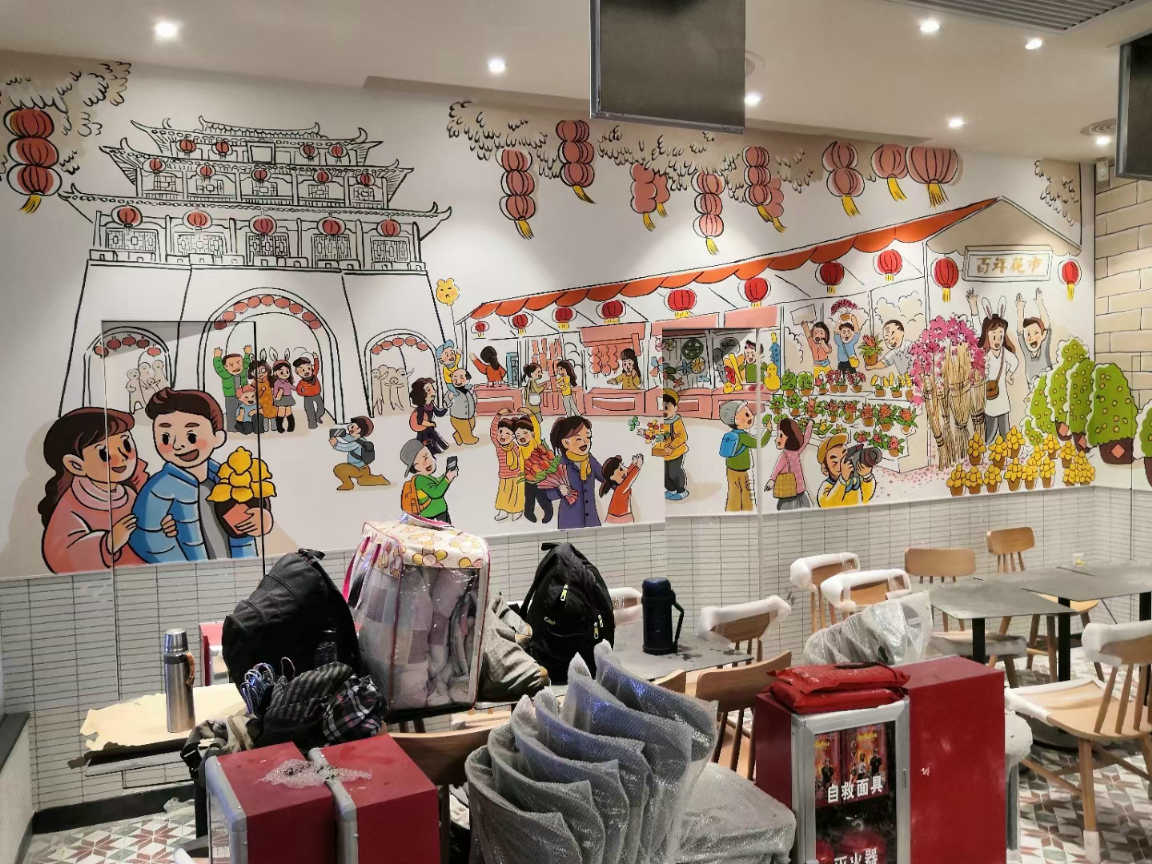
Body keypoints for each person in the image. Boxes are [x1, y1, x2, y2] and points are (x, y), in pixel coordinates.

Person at [131, 389, 270, 561]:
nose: (178, 445)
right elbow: (144, 536)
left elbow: (253, 507)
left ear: (217, 437)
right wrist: (181, 566)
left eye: (191, 436)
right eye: (166, 437)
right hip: (194, 574)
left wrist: (263, 517)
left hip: (238, 570)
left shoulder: (229, 478)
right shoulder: (159, 489)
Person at [38, 407, 161, 573]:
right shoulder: (70, 506)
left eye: (126, 445)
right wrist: (108, 543)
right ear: (76, 465)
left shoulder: (130, 493)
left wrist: (163, 526)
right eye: (105, 454)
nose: (122, 458)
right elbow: (59, 556)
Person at [546, 415, 603, 529]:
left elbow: (604, 476)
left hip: (591, 520)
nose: (585, 442)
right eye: (578, 439)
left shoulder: (590, 459)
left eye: (588, 436)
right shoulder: (560, 464)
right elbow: (548, 494)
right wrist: (560, 491)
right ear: (565, 443)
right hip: (570, 521)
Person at [717, 400, 773, 512]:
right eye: (747, 414)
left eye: (750, 413)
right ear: (736, 420)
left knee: (734, 492)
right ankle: (749, 511)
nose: (751, 416)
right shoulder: (743, 437)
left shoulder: (732, 435)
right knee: (747, 494)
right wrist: (768, 431)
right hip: (744, 471)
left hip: (731, 470)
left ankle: (732, 510)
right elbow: (760, 443)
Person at [976, 299, 1019, 442]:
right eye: (994, 336)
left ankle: (1006, 450)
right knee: (990, 433)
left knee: (1005, 432)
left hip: (1003, 399)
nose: (997, 340)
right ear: (987, 336)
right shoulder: (986, 356)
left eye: (1000, 336)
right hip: (989, 399)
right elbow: (981, 372)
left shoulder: (1005, 353)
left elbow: (1015, 362)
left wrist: (1009, 374)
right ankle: (988, 450)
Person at [398, 438, 458, 524]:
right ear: (414, 468)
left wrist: (446, 475)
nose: (425, 463)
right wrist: (447, 478)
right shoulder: (420, 480)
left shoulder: (425, 477)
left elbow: (437, 482)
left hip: (439, 513)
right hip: (432, 516)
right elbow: (436, 492)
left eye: (426, 457)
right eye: (417, 463)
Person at [815, 433, 876, 508]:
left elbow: (866, 497)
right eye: (835, 462)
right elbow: (828, 505)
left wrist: (867, 476)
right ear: (825, 467)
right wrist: (843, 479)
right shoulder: (826, 486)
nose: (842, 463)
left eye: (845, 456)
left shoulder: (855, 479)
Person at [330, 416, 391, 490]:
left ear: (359, 429)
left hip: (356, 468)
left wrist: (336, 444)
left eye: (352, 427)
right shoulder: (360, 439)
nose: (349, 428)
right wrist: (342, 434)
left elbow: (346, 447)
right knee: (362, 481)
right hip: (364, 468)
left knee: (339, 469)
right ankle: (379, 479)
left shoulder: (357, 443)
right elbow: (349, 438)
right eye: (350, 426)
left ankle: (348, 484)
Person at [514, 414, 554, 524]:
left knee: (542, 497)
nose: (521, 437)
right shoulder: (518, 449)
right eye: (518, 435)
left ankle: (548, 512)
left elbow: (536, 427)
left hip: (539, 478)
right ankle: (528, 513)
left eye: (525, 433)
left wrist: (530, 413)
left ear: (532, 434)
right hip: (527, 480)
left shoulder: (534, 442)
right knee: (529, 498)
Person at [767, 417, 814, 510]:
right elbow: (805, 440)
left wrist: (772, 480)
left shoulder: (787, 454)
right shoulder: (794, 452)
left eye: (781, 436)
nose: (777, 439)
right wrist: (810, 424)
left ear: (790, 437)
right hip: (796, 493)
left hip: (791, 494)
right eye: (778, 436)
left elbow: (776, 470)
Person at [652, 390, 689, 500]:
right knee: (665, 474)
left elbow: (683, 437)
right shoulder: (660, 422)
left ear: (675, 408)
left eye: (666, 408)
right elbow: (655, 434)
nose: (664, 411)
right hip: (664, 453)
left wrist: (672, 446)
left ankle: (681, 490)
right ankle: (671, 489)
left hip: (676, 452)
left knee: (674, 473)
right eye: (661, 408)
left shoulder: (676, 422)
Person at [490, 410, 524, 521]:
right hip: (504, 476)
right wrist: (498, 415)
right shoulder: (499, 446)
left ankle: (517, 510)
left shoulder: (516, 447)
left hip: (516, 475)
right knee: (503, 493)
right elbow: (493, 432)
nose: (502, 435)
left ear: (513, 436)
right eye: (501, 432)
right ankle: (503, 511)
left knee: (515, 494)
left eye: (507, 433)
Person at [1016, 287, 1053, 386]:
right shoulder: (1027, 352)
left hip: (1047, 387)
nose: (1031, 338)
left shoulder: (1044, 348)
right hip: (1032, 389)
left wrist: (1039, 303)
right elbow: (1020, 332)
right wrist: (1020, 309)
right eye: (1028, 334)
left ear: (1043, 335)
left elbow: (1046, 326)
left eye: (1036, 333)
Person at [212, 346, 253, 433]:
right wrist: (217, 358)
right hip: (230, 396)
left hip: (243, 395)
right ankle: (232, 427)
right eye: (231, 365)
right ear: (225, 367)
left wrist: (247, 354)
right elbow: (219, 368)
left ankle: (244, 425)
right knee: (231, 412)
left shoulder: (243, 372)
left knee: (244, 410)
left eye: (238, 363)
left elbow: (246, 364)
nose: (236, 366)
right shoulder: (225, 375)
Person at [599, 453, 643, 524]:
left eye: (623, 466)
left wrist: (633, 464)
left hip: (620, 518)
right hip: (618, 519)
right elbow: (629, 478)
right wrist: (638, 467)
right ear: (612, 477)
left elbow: (626, 474)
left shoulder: (621, 485)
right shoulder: (620, 488)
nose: (625, 469)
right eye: (621, 469)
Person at [409, 376, 448, 455]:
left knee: (435, 438)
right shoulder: (421, 408)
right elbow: (420, 421)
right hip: (423, 431)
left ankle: (441, 449)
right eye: (429, 390)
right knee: (426, 443)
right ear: (422, 394)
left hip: (429, 429)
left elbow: (438, 413)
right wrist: (430, 424)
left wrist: (446, 408)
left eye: (432, 388)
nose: (433, 391)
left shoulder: (431, 404)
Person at [446, 367, 479, 445]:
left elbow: (473, 399)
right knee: (465, 430)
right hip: (458, 417)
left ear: (467, 379)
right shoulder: (452, 392)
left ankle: (458, 436)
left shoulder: (468, 389)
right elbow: (445, 403)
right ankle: (468, 439)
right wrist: (449, 398)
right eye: (455, 377)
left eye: (461, 377)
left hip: (470, 415)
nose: (458, 380)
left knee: (471, 426)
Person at [293, 353, 324, 430]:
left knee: (321, 409)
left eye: (308, 368)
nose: (306, 372)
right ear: (298, 373)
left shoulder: (314, 374)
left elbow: (317, 366)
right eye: (302, 370)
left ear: (311, 368)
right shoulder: (301, 383)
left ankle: (317, 417)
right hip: (307, 398)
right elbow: (298, 391)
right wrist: (302, 392)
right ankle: (312, 424)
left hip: (317, 395)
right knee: (310, 411)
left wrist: (316, 358)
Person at [271, 360, 296, 433]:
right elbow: (275, 391)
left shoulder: (287, 381)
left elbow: (292, 387)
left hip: (288, 397)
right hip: (281, 398)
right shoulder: (277, 382)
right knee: (281, 412)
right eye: (282, 372)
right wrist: (276, 397)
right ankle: (279, 427)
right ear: (275, 373)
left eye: (287, 372)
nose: (285, 374)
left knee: (288, 412)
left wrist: (298, 389)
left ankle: (291, 427)